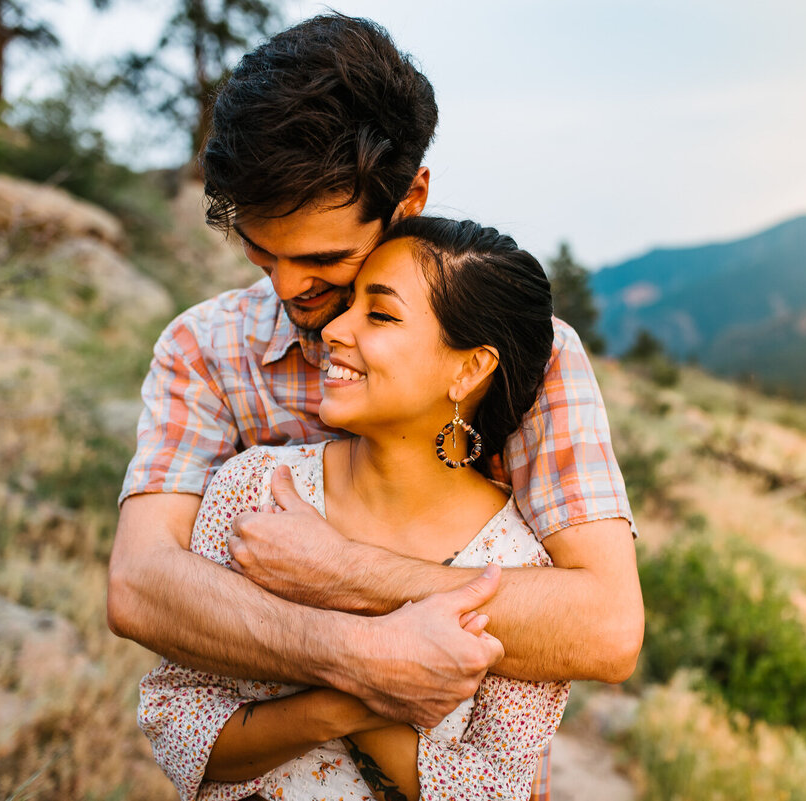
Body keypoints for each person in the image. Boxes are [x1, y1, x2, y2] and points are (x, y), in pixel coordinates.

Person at [107, 14, 643, 797]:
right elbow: (142, 584)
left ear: (411, 193)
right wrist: (358, 662)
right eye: (263, 252)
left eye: (324, 257)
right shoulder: (205, 349)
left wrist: (341, 570)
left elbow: (602, 624)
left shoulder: (534, 357)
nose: (291, 289)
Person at [140, 217, 571, 801]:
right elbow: (176, 721)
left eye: (381, 314)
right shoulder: (259, 488)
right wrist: (356, 689)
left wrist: (341, 613)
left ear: (468, 368)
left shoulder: (519, 570)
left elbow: (496, 791)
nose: (334, 330)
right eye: (351, 307)